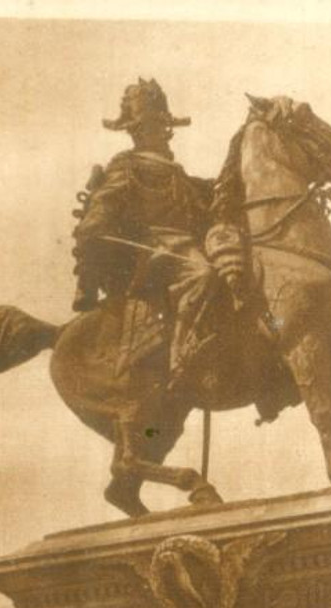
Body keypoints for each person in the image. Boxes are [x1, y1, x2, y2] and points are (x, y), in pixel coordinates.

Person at [71, 79, 226, 393]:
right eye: (154, 127)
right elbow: (101, 210)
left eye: (164, 126)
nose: (163, 133)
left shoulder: (175, 170)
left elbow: (203, 201)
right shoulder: (125, 167)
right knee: (204, 273)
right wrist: (93, 234)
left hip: (184, 245)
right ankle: (182, 351)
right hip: (152, 249)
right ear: (137, 132)